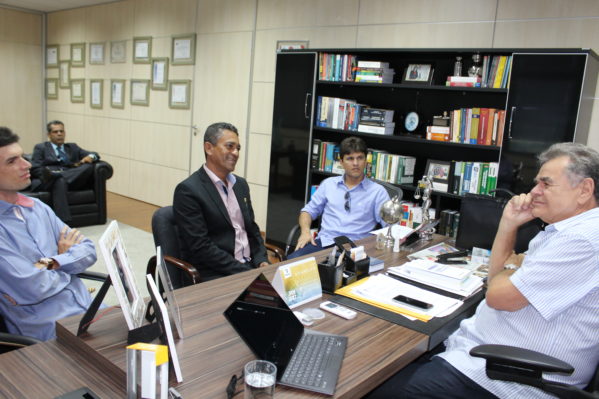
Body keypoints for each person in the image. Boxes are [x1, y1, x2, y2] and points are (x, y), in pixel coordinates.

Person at [366, 142, 599, 399]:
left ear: (584, 190)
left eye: (546, 183)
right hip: (485, 358)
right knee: (390, 365)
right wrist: (508, 225)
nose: (534, 191)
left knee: (371, 387)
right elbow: (495, 283)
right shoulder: (564, 231)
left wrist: (512, 266)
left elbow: (498, 296)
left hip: (509, 380)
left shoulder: (583, 240)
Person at [0, 127, 96, 341]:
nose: (27, 165)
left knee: (159, 343)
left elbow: (89, 249)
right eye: (11, 161)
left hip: (89, 308)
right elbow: (33, 286)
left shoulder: (36, 206)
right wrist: (66, 261)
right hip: (50, 330)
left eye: (23, 157)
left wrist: (50, 262)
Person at [173, 122, 269, 282]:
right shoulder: (188, 190)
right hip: (217, 274)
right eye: (230, 146)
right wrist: (247, 274)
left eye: (238, 148)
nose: (236, 153)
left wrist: (262, 261)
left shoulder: (241, 185)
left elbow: (252, 230)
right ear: (209, 148)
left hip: (249, 268)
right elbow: (201, 248)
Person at [288, 136, 390, 259]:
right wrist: (305, 232)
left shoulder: (378, 192)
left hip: (356, 249)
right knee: (291, 264)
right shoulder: (328, 184)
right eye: (350, 159)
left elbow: (390, 227)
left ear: (366, 161)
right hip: (325, 244)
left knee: (340, 274)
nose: (356, 163)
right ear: (341, 162)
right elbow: (308, 211)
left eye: (360, 158)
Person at [30, 120, 100, 223]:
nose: (59, 134)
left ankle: (60, 176)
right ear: (49, 135)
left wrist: (90, 156)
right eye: (55, 132)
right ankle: (64, 222)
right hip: (48, 180)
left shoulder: (72, 147)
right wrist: (51, 175)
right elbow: (35, 168)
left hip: (71, 178)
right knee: (59, 181)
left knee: (88, 166)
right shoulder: (41, 148)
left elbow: (94, 154)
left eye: (61, 131)